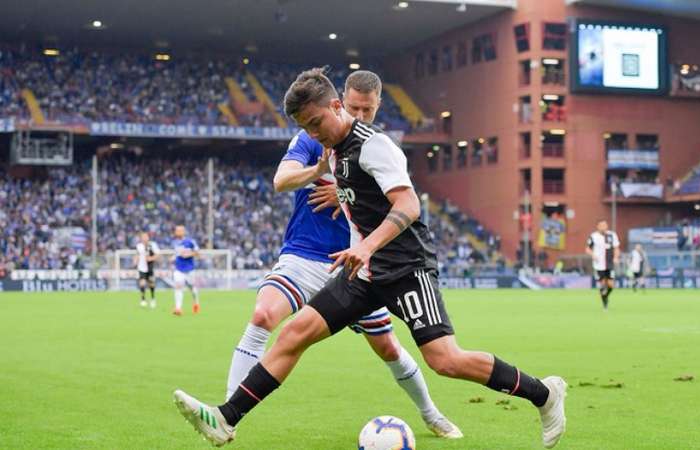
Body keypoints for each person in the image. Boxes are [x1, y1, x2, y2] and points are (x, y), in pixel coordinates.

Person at [173, 68, 567, 449]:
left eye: (315, 122)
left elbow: (409, 204)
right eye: (305, 127)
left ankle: (544, 394)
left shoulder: (374, 145)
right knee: (294, 333)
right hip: (364, 272)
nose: (312, 133)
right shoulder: (332, 150)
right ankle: (225, 419)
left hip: (407, 267)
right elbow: (319, 187)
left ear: (336, 105)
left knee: (445, 360)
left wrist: (365, 245)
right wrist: (334, 195)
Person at [223, 70, 460, 438]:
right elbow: (280, 181)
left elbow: (399, 201)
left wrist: (343, 192)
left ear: (377, 106)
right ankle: (229, 412)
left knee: (388, 347)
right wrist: (318, 171)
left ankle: (431, 413)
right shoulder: (312, 135)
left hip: (357, 263)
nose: (360, 115)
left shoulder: (376, 146)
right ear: (339, 103)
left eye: (367, 109)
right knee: (263, 315)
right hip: (307, 253)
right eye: (354, 107)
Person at [586, 219, 620, 310]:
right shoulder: (593, 236)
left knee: (611, 285)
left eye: (605, 225)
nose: (604, 227)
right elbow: (588, 249)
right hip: (598, 265)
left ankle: (605, 296)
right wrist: (593, 255)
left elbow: (616, 248)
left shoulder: (612, 235)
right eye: (602, 225)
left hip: (609, 264)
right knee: (602, 284)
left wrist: (616, 257)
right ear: (598, 226)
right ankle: (604, 302)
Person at [171, 225, 200, 315]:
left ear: (183, 232)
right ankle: (178, 308)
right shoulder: (174, 242)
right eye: (176, 230)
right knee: (178, 286)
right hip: (178, 269)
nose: (177, 232)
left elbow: (197, 253)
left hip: (189, 269)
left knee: (192, 288)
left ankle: (196, 302)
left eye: (179, 230)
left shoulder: (190, 242)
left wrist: (189, 254)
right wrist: (173, 258)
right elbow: (177, 254)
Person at [133, 232, 160, 308]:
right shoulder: (139, 246)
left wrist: (151, 258)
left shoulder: (153, 245)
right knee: (142, 283)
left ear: (148, 237)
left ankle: (152, 298)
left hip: (150, 267)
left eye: (146, 237)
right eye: (143, 237)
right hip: (141, 268)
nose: (144, 238)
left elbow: (157, 255)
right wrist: (135, 261)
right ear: (141, 238)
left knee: (151, 283)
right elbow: (137, 255)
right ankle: (143, 299)